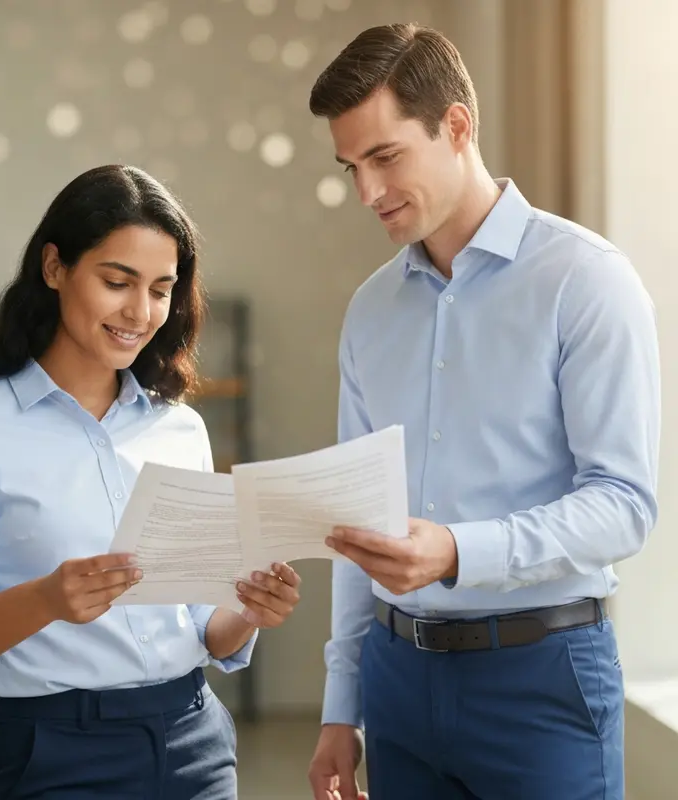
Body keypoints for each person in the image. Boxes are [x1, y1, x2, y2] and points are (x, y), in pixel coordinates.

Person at [305, 23, 659, 800]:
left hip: (541, 680)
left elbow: (625, 505)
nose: (366, 193)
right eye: (351, 167)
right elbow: (358, 517)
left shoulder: (586, 282)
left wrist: (460, 552)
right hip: (396, 682)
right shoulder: (369, 312)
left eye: (385, 157)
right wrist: (344, 707)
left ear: (458, 126)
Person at [0, 164, 301, 800]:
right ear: (54, 267)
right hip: (51, 753)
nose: (140, 313)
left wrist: (248, 611)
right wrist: (46, 601)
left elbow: (204, 626)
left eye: (161, 289)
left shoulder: (182, 431)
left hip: (193, 742)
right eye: (117, 282)